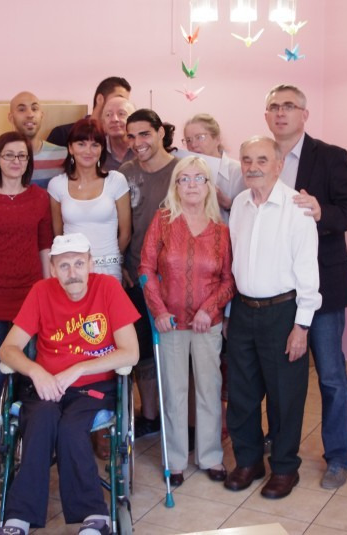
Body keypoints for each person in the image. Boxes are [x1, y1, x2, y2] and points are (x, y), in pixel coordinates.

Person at [0, 233, 140, 535]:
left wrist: (78, 369)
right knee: (40, 421)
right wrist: (36, 372)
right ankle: (18, 516)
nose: (72, 273)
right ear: (52, 269)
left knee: (71, 429)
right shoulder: (41, 292)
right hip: (47, 386)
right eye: (64, 266)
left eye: (78, 263)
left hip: (93, 388)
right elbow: (7, 349)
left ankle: (94, 515)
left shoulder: (108, 288)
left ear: (90, 264)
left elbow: (131, 352)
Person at [264, 84, 347, 489]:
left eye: (289, 106)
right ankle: (279, 441)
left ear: (304, 114)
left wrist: (322, 211)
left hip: (322, 285)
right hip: (276, 288)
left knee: (330, 376)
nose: (281, 113)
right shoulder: (260, 157)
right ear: (266, 115)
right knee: (279, 373)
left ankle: (338, 455)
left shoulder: (330, 156)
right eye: (274, 106)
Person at [224, 136, 321, 499]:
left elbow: (308, 273)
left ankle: (284, 467)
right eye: (247, 160)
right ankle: (249, 461)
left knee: (285, 397)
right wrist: (230, 312)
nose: (253, 167)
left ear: (279, 165)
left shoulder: (297, 209)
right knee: (242, 393)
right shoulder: (239, 204)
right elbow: (235, 262)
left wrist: (301, 326)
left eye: (262, 160)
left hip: (283, 313)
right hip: (243, 310)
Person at [138, 155, 233, 487]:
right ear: (175, 186)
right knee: (174, 391)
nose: (192, 185)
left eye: (199, 178)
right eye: (184, 179)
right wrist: (159, 311)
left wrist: (210, 309)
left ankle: (210, 456)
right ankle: (175, 459)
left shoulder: (221, 230)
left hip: (208, 323)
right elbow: (146, 269)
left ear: (209, 186)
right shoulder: (163, 220)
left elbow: (229, 279)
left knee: (209, 389)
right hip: (171, 323)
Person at [0, 131, 53, 427]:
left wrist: (47, 290)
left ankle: (30, 426)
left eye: (22, 156)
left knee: (31, 364)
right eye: (9, 155)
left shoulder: (39, 197)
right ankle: (7, 425)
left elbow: (44, 246)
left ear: (28, 162)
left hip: (30, 297)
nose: (16, 161)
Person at [119, 108, 179, 437]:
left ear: (160, 133)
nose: (137, 142)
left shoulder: (181, 170)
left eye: (144, 134)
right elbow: (117, 223)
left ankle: (178, 420)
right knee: (142, 351)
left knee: (173, 352)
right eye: (131, 136)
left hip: (172, 280)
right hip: (134, 275)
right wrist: (121, 262)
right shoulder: (125, 173)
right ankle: (150, 416)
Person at [48, 118, 131, 282]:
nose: (88, 151)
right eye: (81, 144)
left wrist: (114, 260)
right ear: (70, 148)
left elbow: (125, 233)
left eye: (95, 145)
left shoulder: (116, 180)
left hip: (109, 268)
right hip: (71, 269)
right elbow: (58, 235)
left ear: (102, 149)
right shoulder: (57, 184)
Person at [0, 91, 66, 190]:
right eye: (22, 110)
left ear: (41, 115)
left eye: (34, 109)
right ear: (11, 118)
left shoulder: (63, 155)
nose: (30, 114)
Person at [182, 114, 245, 223]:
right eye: (188, 140)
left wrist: (226, 203)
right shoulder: (183, 173)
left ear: (217, 139)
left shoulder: (239, 172)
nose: (193, 145)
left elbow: (251, 216)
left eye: (200, 137)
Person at [47, 76, 132, 147]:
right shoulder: (64, 134)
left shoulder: (121, 138)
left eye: (125, 101)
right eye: (119, 98)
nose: (121, 103)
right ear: (100, 99)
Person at [100, 96, 136, 171]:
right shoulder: (97, 150)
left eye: (121, 114)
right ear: (103, 123)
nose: (114, 119)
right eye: (108, 115)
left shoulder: (144, 147)